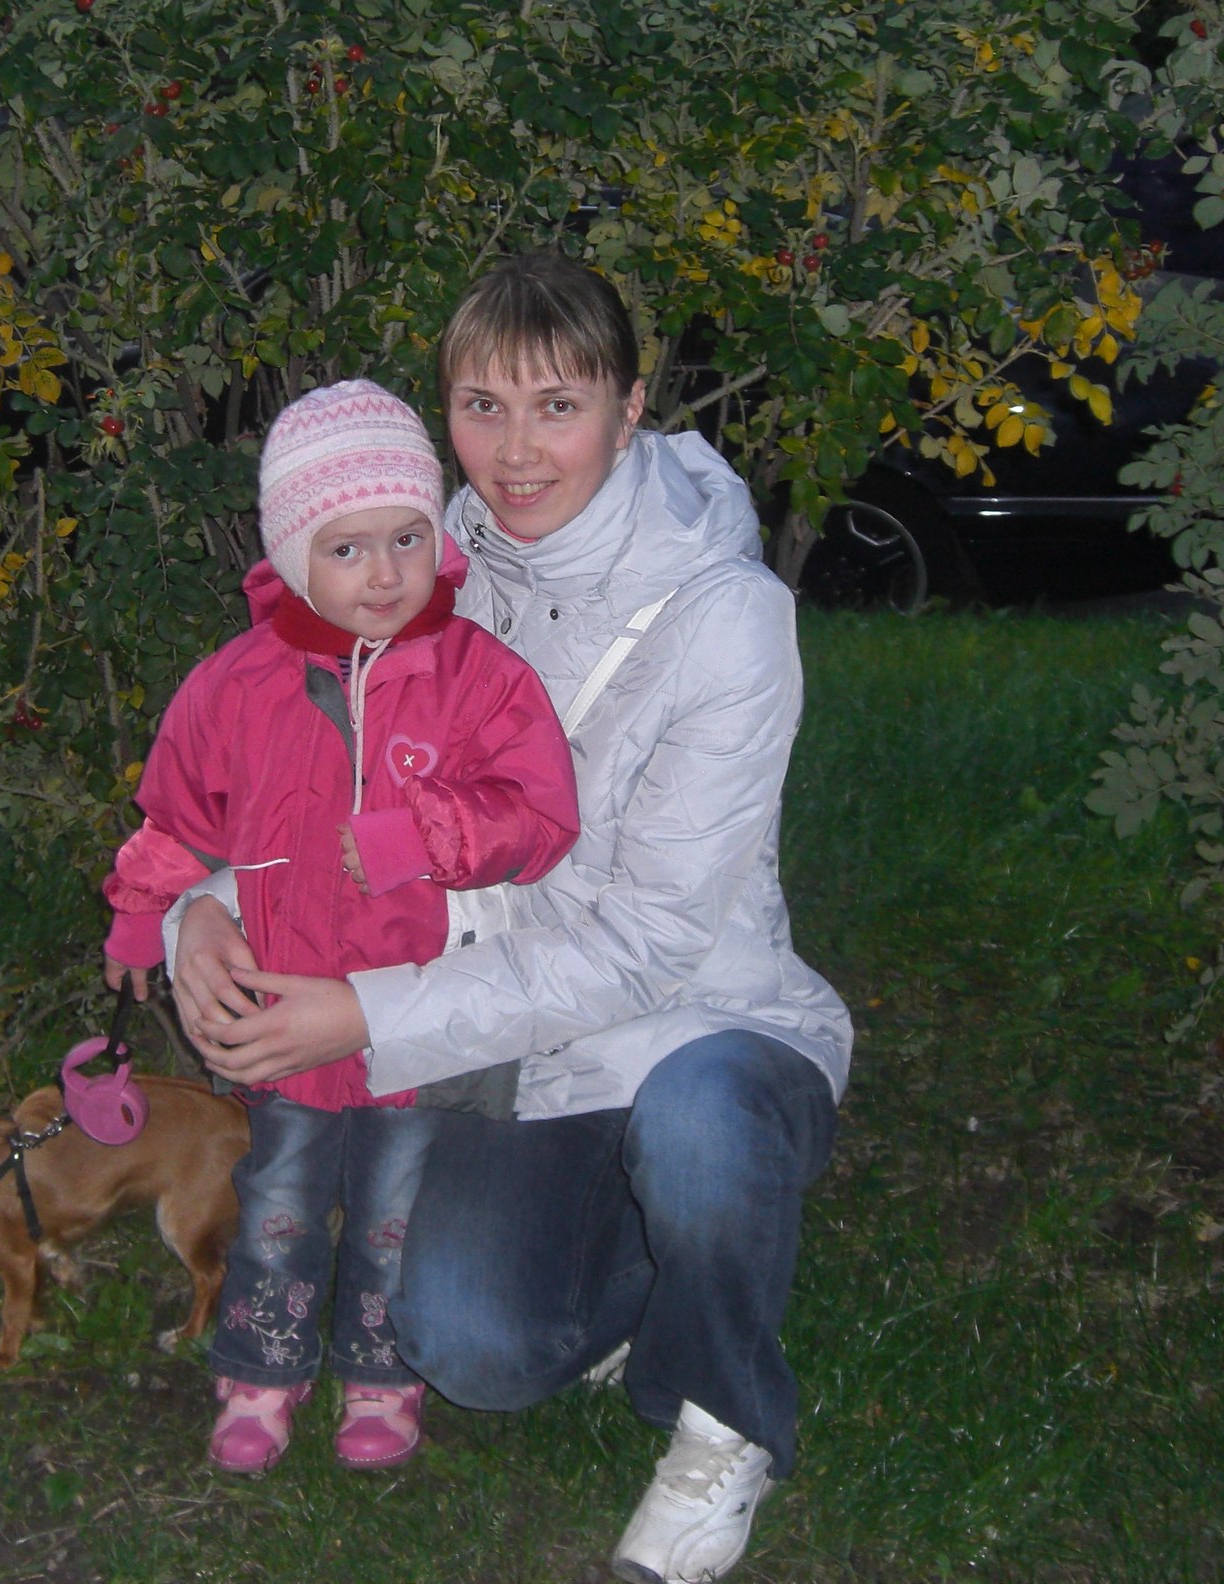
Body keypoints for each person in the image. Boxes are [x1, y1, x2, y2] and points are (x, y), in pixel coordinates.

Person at [166, 254, 852, 1584]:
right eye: (482, 407)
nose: (517, 452)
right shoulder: (417, 567)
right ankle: (644, 1255)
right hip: (506, 1041)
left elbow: (649, 944)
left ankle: (721, 1419)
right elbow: (289, 776)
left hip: (698, 1021)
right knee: (474, 1351)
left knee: (701, 1130)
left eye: (559, 406)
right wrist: (203, 907)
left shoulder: (727, 622)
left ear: (630, 406)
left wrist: (364, 1015)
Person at [99, 378, 581, 1476]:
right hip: (285, 1019)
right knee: (276, 1199)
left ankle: (381, 1369)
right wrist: (140, 916)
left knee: (393, 1212)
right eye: (347, 549)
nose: (384, 575)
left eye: (406, 538)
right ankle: (261, 1367)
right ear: (291, 553)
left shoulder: (479, 679)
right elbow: (179, 818)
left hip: (413, 1023)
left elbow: (542, 817)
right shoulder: (234, 688)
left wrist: (426, 837)